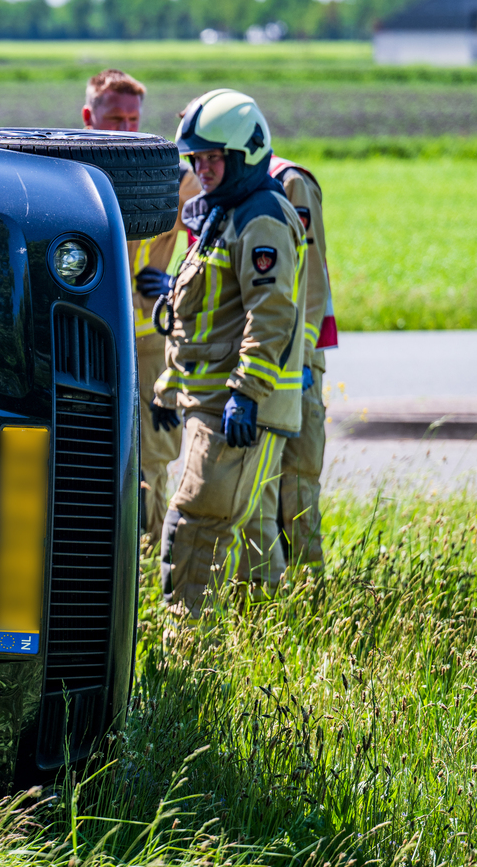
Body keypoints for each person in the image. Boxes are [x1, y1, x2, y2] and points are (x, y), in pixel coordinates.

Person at [151, 89, 306, 617]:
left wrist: (246, 394)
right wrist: (169, 386)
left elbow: (271, 316)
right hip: (210, 401)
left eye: (213, 158)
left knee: (195, 527)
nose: (202, 170)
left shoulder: (260, 218)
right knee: (242, 536)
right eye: (196, 159)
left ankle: (188, 648)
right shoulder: (224, 213)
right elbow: (203, 317)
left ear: (246, 155)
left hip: (233, 409)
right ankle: (255, 637)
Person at [82, 70, 201, 552]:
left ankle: (147, 556)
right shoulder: (70, 172)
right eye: (114, 119)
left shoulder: (169, 177)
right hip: (91, 337)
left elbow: (216, 236)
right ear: (89, 118)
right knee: (92, 452)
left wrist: (177, 281)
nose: (125, 131)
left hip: (151, 339)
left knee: (152, 454)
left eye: (133, 119)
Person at [268, 154, 333, 574]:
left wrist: (303, 357)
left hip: (297, 364)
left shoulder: (289, 182)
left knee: (296, 483)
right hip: (257, 362)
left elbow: (311, 277)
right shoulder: (211, 181)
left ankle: (310, 598)